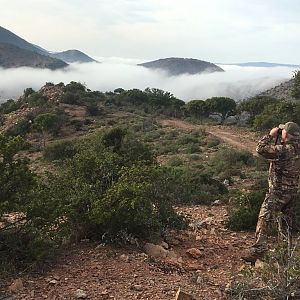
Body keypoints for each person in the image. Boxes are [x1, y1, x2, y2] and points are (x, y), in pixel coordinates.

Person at [242, 121, 300, 263]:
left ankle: (259, 250)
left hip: (278, 192)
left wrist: (270, 135)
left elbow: (260, 149)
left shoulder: (283, 150)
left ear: (285, 134)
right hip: (293, 192)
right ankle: (286, 253)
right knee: (286, 222)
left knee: (264, 218)